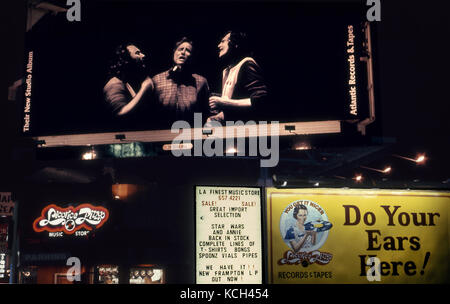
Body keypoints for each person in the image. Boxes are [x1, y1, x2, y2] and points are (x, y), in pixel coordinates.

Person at [208, 31, 268, 123]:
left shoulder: (247, 64)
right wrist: (219, 116)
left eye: (223, 41)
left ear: (235, 44)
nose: (219, 45)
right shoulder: (227, 71)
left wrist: (223, 102)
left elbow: (260, 101)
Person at [152, 37, 210, 126]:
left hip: (190, 133)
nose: (183, 52)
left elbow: (205, 111)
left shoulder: (200, 81)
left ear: (192, 57)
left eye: (188, 51)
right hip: (162, 134)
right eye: (180, 49)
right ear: (174, 53)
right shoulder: (157, 79)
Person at [103, 43, 153, 117]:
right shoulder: (114, 84)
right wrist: (144, 88)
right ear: (126, 59)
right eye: (137, 53)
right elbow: (119, 113)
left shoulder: (128, 81)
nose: (143, 55)